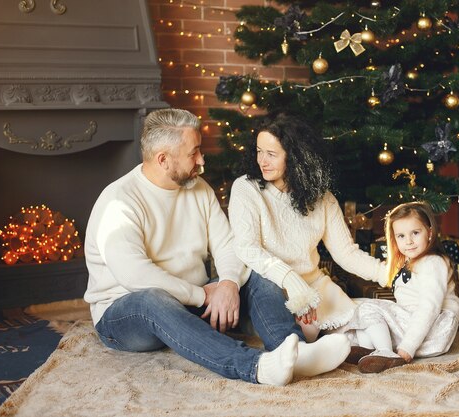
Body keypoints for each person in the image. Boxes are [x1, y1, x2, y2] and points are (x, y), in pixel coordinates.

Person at [83, 108, 349, 387]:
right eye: (193, 153)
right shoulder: (119, 201)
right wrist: (201, 295)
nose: (202, 160)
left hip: (193, 301)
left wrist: (229, 284)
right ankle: (255, 367)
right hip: (126, 315)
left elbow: (228, 245)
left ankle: (296, 350)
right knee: (152, 298)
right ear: (163, 160)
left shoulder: (198, 189)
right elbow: (135, 276)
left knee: (256, 274)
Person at [228, 113, 387, 345]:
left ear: (295, 157)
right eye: (259, 151)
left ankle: (378, 354)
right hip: (269, 287)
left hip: (314, 285)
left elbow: (346, 253)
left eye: (271, 154)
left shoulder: (323, 198)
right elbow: (247, 248)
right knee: (306, 335)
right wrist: (290, 279)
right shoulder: (246, 188)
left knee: (365, 329)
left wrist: (387, 274)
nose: (262, 161)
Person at [347, 201, 459, 373]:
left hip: (435, 329)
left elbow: (429, 307)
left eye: (415, 233)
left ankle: (386, 353)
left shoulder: (433, 263)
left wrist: (408, 346)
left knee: (368, 308)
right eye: (401, 236)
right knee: (361, 317)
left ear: (429, 233)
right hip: (415, 325)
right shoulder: (406, 263)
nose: (408, 241)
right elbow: (380, 273)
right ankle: (369, 350)